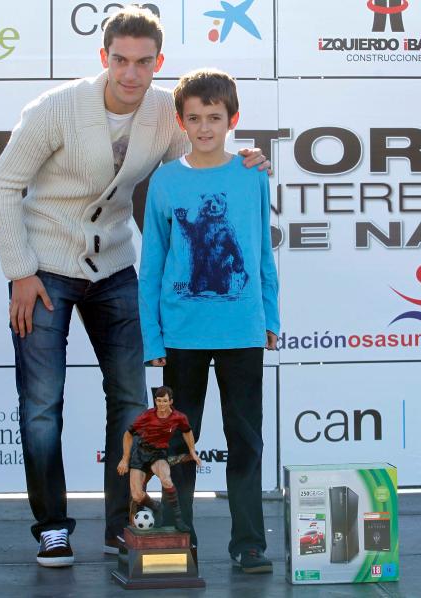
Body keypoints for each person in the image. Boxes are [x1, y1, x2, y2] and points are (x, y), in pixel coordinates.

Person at [0, 6, 267, 568]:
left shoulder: (167, 111)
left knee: (133, 405)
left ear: (158, 63)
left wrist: (246, 160)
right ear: (104, 58)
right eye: (120, 60)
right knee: (42, 406)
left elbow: (193, 163)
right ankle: (52, 528)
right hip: (44, 267)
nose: (131, 73)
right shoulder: (56, 108)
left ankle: (125, 525)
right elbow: (2, 183)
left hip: (114, 267)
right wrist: (19, 270)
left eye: (143, 62)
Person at [138, 68, 280, 574]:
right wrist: (153, 335)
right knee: (179, 441)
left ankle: (248, 544)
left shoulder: (250, 174)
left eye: (214, 118)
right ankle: (180, 537)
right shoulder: (166, 181)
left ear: (232, 119)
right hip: (182, 336)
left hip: (242, 330)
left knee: (246, 439)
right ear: (180, 121)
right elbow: (152, 264)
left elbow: (262, 252)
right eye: (194, 118)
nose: (204, 127)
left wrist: (271, 314)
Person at [117, 385, 201, 532]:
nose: (161, 404)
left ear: (171, 401)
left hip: (159, 454)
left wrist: (192, 451)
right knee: (136, 495)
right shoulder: (147, 415)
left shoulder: (179, 417)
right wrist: (125, 458)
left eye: (164, 401)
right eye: (158, 401)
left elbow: (187, 432)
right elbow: (128, 434)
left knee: (166, 479)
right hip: (141, 454)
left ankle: (179, 520)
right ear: (155, 401)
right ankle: (156, 507)